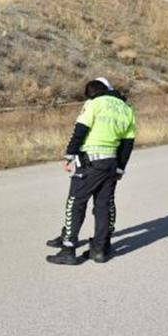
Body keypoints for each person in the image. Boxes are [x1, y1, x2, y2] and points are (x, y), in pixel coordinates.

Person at [46, 78, 136, 265]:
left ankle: (68, 249)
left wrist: (70, 154)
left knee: (75, 202)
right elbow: (128, 144)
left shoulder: (94, 103)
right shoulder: (127, 108)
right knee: (104, 205)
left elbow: (80, 129)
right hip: (111, 162)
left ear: (92, 93)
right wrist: (120, 167)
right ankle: (99, 250)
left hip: (91, 161)